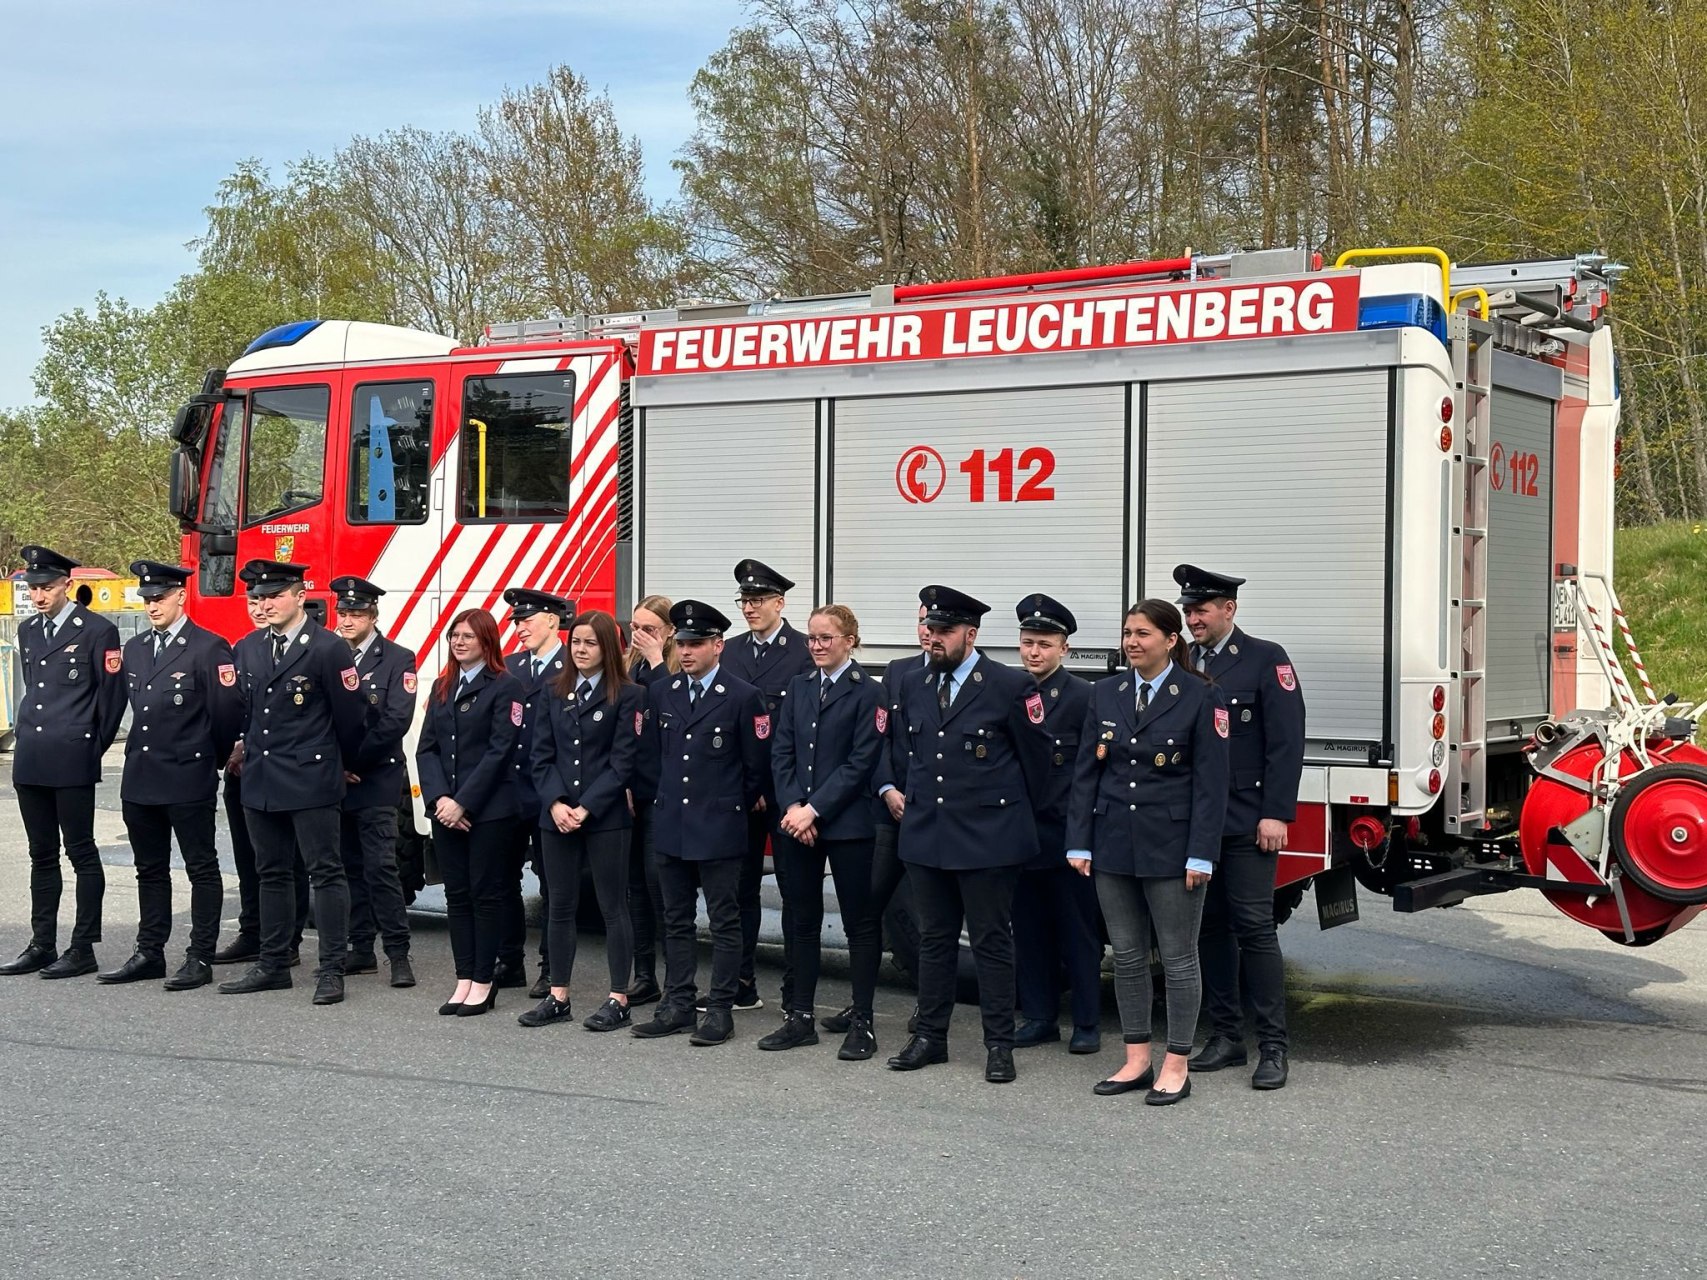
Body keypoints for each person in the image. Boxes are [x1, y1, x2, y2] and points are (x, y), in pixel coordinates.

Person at [886, 586, 1051, 1085]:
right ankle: (930, 1037)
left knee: (991, 942)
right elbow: (909, 752)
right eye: (930, 630)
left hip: (988, 839)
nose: (933, 639)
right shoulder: (913, 683)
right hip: (927, 835)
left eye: (944, 631)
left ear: (970, 635)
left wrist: (1002, 817)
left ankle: (998, 1044)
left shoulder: (1009, 686)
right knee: (934, 941)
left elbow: (1038, 766)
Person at [1066, 599, 1229, 1105]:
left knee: (1179, 959)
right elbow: (1086, 773)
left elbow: (1211, 784)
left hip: (1173, 847)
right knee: (1129, 957)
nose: (1132, 642)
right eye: (1127, 633)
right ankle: (1137, 1058)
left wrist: (1201, 853)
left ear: (1170, 640)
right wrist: (1079, 839)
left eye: (1143, 634)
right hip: (1114, 843)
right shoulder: (1105, 693)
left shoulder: (1202, 697)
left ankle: (1176, 1063)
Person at [1175, 564, 1306, 1091]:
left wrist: (1276, 812)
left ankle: (1273, 1046)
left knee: (1254, 927)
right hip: (1198, 822)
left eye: (1201, 609)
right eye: (1187, 610)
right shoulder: (1180, 660)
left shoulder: (1265, 659)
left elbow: (1285, 741)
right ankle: (1226, 1036)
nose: (1192, 619)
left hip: (1250, 820)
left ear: (1229, 609)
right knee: (1208, 928)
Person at [218, 560, 366, 1005]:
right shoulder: (249, 647)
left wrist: (342, 763)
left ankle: (331, 968)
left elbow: (352, 718)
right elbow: (243, 710)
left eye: (275, 595)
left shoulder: (328, 648)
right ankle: (273, 962)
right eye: (258, 597)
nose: (265, 604)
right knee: (272, 873)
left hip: (310, 776)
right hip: (262, 778)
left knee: (324, 872)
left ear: (300, 596)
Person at [96, 561, 241, 990]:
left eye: (160, 598)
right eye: (147, 599)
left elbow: (225, 715)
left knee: (201, 868)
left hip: (187, 773)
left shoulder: (208, 647)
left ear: (181, 596)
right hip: (141, 775)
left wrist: (207, 759)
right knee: (150, 869)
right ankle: (149, 951)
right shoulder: (136, 648)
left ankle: (199, 956)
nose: (152, 606)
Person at [630, 600, 768, 1047]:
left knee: (724, 921)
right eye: (682, 643)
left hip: (719, 826)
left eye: (695, 644)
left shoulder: (743, 697)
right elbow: (650, 758)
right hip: (671, 822)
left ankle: (721, 1009)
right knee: (676, 918)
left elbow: (754, 770)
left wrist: (726, 808)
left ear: (718, 645)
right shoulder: (662, 692)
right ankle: (678, 1002)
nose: (686, 651)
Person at [760, 604, 885, 1059]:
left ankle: (863, 1022)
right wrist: (793, 806)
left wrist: (814, 810)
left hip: (847, 825)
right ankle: (800, 1017)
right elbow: (782, 750)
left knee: (860, 924)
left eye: (826, 638)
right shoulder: (799, 686)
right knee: (803, 920)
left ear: (850, 640)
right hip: (800, 822)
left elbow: (860, 763)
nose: (816, 645)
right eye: (812, 637)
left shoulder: (869, 691)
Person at [0, 546, 127, 979]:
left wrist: (92, 749)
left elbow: (110, 700)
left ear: (66, 586)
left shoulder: (96, 631)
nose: (37, 596)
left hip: (72, 755)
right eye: (32, 588)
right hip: (33, 756)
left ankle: (83, 945)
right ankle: (41, 943)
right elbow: (35, 689)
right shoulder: (29, 631)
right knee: (41, 854)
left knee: (81, 852)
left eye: (46, 588)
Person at [520, 610, 646, 1031]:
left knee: (613, 908)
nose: (581, 650)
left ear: (607, 647)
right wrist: (556, 803)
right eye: (576, 642)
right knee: (559, 906)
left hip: (604, 816)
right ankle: (559, 996)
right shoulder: (553, 690)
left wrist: (586, 807)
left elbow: (622, 761)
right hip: (556, 816)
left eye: (591, 643)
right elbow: (540, 755)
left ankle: (618, 998)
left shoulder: (628, 695)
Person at [823, 601, 931, 1037]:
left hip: (932, 816)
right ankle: (860, 1003)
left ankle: (929, 1006)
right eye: (922, 621)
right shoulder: (898, 671)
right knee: (868, 910)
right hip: (889, 813)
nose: (927, 630)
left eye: (934, 623)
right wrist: (887, 789)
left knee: (931, 916)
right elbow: (880, 741)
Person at [416, 609, 524, 1017]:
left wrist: (465, 801)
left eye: (468, 637)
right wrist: (441, 799)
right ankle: (463, 978)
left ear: (487, 642)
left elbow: (501, 751)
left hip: (489, 812)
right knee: (456, 896)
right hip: (447, 812)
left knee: (486, 894)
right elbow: (427, 749)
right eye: (454, 636)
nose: (459, 643)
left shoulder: (505, 687)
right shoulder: (443, 686)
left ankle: (484, 980)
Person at [721, 558, 814, 1013]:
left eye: (757, 600)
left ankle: (795, 994)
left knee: (795, 891)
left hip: (785, 792)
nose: (749, 608)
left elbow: (800, 731)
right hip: (740, 790)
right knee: (741, 888)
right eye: (744, 601)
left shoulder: (802, 650)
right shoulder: (732, 651)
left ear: (780, 602)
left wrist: (775, 785)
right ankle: (741, 981)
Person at [1010, 593, 1102, 1054]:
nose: (1034, 652)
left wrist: (1083, 839)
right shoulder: (1011, 691)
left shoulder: (1085, 697)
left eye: (1044, 644)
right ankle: (1039, 1016)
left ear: (1064, 648)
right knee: (1027, 932)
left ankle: (1086, 1021)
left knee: (1077, 933)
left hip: (1067, 838)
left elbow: (1091, 773)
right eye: (1027, 643)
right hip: (1020, 838)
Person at [331, 575, 419, 990]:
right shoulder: (329, 654)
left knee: (381, 868)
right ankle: (360, 949)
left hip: (376, 777)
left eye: (356, 613)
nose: (347, 620)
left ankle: (398, 954)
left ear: (373, 615)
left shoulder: (397, 658)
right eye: (343, 612)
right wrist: (335, 765)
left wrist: (353, 761)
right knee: (349, 867)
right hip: (337, 779)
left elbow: (395, 721)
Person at [212, 594, 308, 968]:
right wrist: (233, 746)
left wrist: (248, 745)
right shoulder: (245, 648)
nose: (258, 609)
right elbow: (231, 705)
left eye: (266, 600)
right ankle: (253, 932)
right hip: (243, 769)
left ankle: (288, 940)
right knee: (249, 857)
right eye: (252, 601)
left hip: (281, 769)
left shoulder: (306, 648)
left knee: (288, 860)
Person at [499, 587, 571, 999]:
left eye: (527, 620)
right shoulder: (510, 667)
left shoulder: (570, 667)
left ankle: (550, 966)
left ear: (551, 621)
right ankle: (510, 960)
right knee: (503, 879)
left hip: (550, 793)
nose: (520, 628)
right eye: (516, 622)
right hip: (511, 792)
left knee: (552, 885)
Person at [623, 595, 678, 1005]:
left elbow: (673, 708)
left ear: (669, 632)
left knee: (660, 886)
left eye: (649, 629)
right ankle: (644, 973)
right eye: (635, 627)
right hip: (632, 791)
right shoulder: (629, 666)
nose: (639, 636)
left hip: (666, 793)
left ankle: (676, 978)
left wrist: (658, 659)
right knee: (634, 888)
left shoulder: (672, 667)